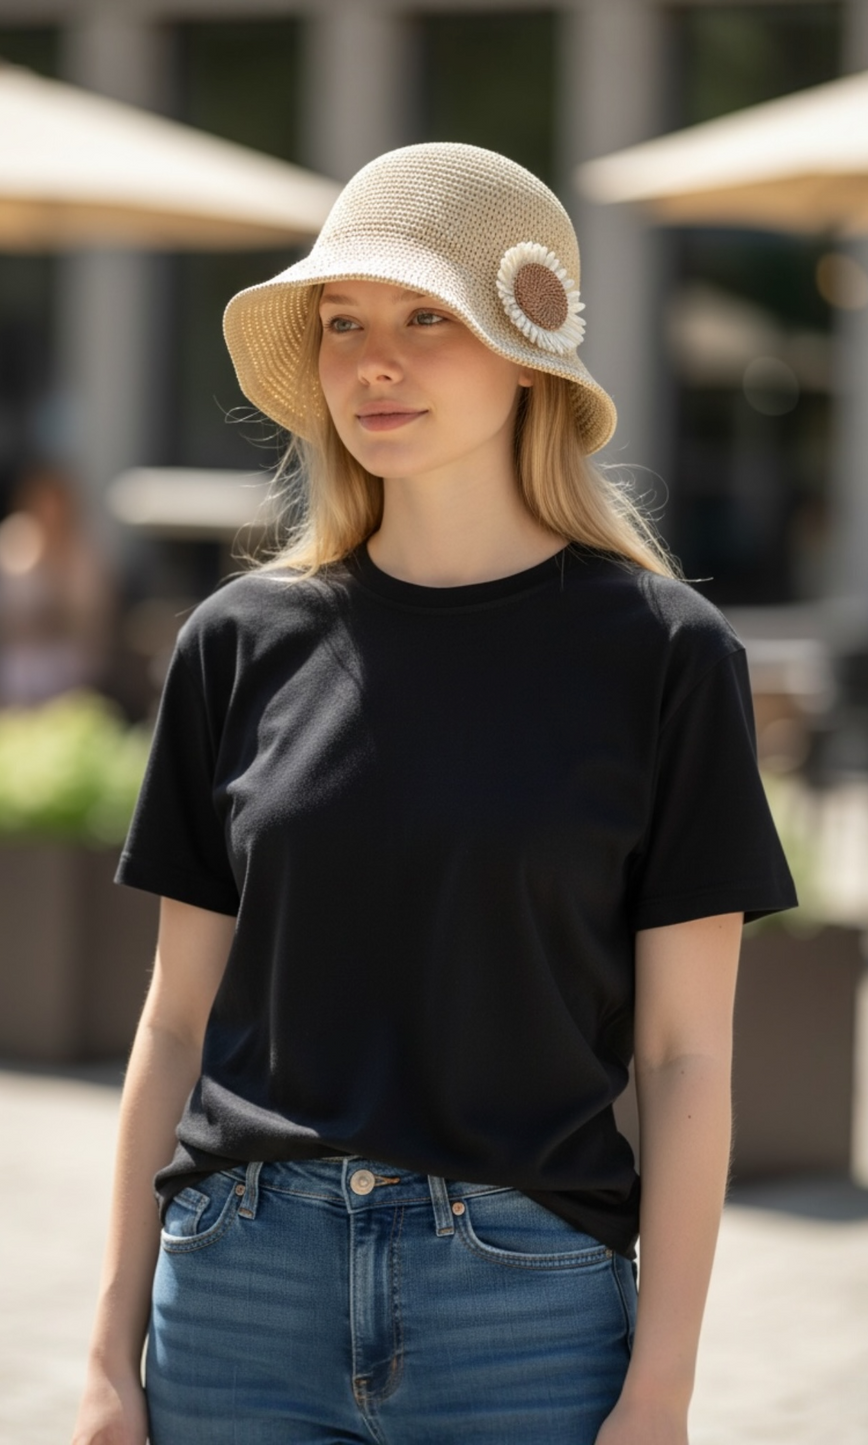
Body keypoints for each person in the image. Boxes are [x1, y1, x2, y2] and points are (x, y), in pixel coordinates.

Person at [72, 143, 797, 1445]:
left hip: (523, 1317)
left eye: (424, 318)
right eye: (341, 323)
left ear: (531, 353)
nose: (371, 363)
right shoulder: (237, 643)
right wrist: (108, 1357)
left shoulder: (667, 658)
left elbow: (687, 1059)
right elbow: (172, 1024)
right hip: (236, 1300)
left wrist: (663, 1390)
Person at [0, 463, 111, 708]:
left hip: (68, 663)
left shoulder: (84, 552)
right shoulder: (11, 541)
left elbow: (89, 620)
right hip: (20, 660)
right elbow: (6, 616)